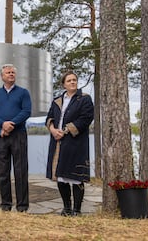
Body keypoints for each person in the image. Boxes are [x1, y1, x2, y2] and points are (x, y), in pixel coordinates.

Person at [45, 71, 94, 216]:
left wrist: (66, 130)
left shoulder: (84, 99)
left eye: (74, 80)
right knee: (60, 175)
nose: (73, 82)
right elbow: (49, 118)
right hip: (58, 142)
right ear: (64, 84)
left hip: (75, 142)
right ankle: (66, 208)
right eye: (69, 80)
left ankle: (77, 210)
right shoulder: (57, 100)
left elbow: (86, 118)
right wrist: (53, 130)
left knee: (76, 176)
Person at [0, 64, 31, 212]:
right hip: (1, 135)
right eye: (8, 72)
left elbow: (26, 111)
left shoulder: (23, 93)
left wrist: (11, 124)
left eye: (13, 72)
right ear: (2, 76)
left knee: (20, 171)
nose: (11, 74)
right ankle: (6, 204)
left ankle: (22, 206)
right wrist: (2, 125)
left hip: (18, 135)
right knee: (3, 171)